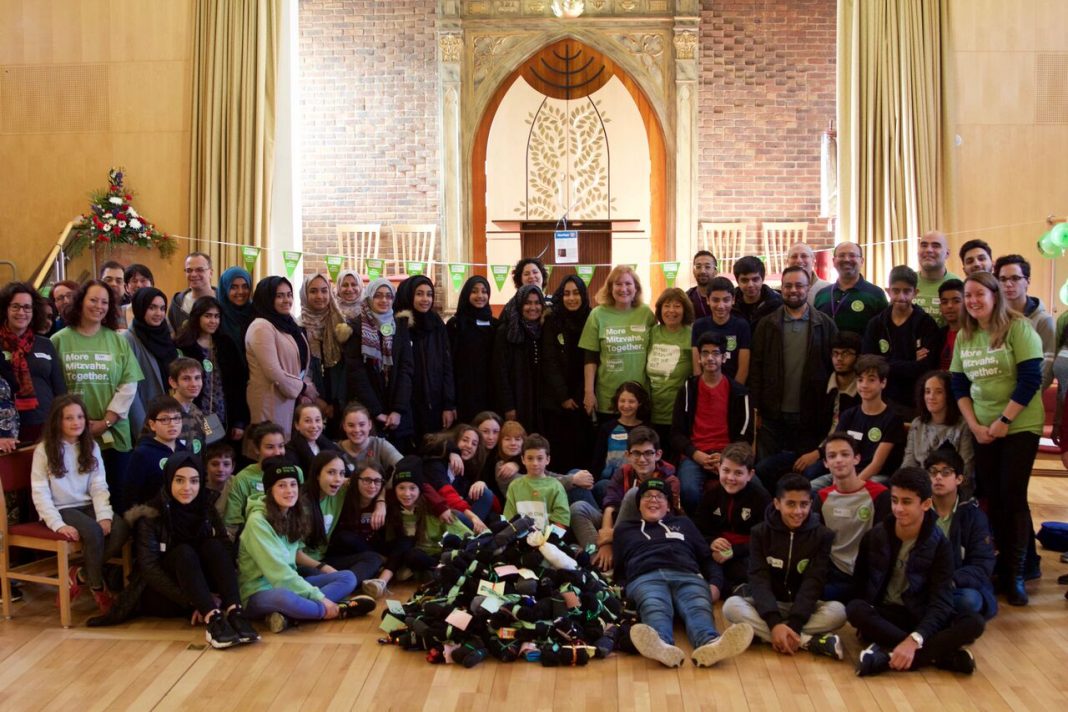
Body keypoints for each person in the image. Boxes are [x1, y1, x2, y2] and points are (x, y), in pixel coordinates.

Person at [950, 271, 1043, 606]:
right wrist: (974, 425)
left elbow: (1031, 379)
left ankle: (1015, 573)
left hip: (1019, 426)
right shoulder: (965, 335)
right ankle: (1000, 566)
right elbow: (959, 383)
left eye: (980, 294)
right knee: (992, 497)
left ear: (994, 296)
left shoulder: (1019, 328)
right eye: (968, 295)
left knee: (1012, 497)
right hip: (983, 428)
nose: (973, 301)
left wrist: (1005, 420)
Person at [848, 468, 986, 677]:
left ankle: (887, 658)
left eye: (906, 502)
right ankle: (939, 656)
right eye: (894, 500)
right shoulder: (875, 536)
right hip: (886, 615)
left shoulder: (940, 544)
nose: (898, 508)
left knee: (974, 622)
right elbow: (859, 587)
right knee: (855, 609)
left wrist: (916, 638)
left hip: (921, 615)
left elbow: (941, 602)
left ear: (926, 504)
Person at [117, 452, 259, 648]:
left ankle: (235, 612)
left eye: (194, 481)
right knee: (184, 552)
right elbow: (150, 569)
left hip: (203, 588)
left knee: (214, 545)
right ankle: (212, 619)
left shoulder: (205, 506)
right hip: (167, 593)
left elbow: (224, 548)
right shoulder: (150, 515)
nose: (187, 488)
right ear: (169, 480)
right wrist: (198, 601)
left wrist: (212, 594)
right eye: (179, 480)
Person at [613, 478, 754, 668]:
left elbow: (706, 557)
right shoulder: (624, 529)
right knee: (654, 605)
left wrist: (715, 584)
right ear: (638, 504)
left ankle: (710, 644)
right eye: (647, 496)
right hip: (645, 577)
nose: (653, 500)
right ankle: (661, 645)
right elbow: (620, 569)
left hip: (687, 575)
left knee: (698, 605)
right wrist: (625, 594)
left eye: (660, 496)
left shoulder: (684, 523)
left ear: (668, 506)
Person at [237, 458, 375, 632]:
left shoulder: (291, 513)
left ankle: (290, 615)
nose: (289, 491)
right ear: (270, 490)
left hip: (290, 584)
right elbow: (279, 573)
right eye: (282, 486)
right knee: (284, 597)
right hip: (258, 592)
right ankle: (336, 611)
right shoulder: (257, 521)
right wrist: (321, 598)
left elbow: (291, 568)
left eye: (293, 484)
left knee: (347, 577)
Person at [722, 473, 847, 659]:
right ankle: (807, 641)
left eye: (804, 504)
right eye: (791, 504)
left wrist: (795, 623)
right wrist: (773, 622)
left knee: (839, 612)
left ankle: (768, 634)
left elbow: (814, 581)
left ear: (811, 504)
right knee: (731, 606)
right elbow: (759, 578)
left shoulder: (823, 535)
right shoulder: (760, 533)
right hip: (770, 605)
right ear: (777, 503)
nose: (798, 511)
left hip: (803, 607)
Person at [51, 280, 143, 514]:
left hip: (113, 434)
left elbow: (128, 384)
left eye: (104, 302)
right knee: (81, 503)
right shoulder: (59, 340)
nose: (99, 306)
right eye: (93, 300)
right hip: (71, 435)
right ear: (80, 301)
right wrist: (76, 425)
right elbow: (54, 388)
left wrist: (106, 421)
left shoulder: (118, 341)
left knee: (116, 501)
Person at [30, 394, 129, 613]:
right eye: (69, 418)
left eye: (80, 417)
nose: (76, 422)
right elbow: (40, 492)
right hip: (61, 509)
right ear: (57, 421)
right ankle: (97, 586)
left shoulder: (91, 446)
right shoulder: (44, 450)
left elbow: (98, 485)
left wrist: (104, 515)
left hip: (87, 505)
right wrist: (57, 524)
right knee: (93, 532)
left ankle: (81, 573)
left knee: (121, 527)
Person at [750, 266, 837, 462]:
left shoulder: (825, 325)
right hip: (772, 416)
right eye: (788, 286)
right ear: (781, 288)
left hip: (810, 415)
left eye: (799, 285)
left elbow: (833, 369)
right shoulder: (766, 324)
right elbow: (756, 370)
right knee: (767, 469)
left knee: (802, 471)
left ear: (808, 288)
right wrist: (756, 409)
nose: (793, 290)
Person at [754, 331, 860, 491]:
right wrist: (807, 453)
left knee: (809, 474)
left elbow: (852, 436)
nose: (839, 358)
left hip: (838, 456)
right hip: (808, 450)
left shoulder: (861, 392)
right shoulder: (819, 385)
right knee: (763, 468)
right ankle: (778, 504)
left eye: (846, 354)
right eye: (835, 353)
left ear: (857, 357)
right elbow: (806, 427)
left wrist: (818, 454)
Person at [570, 426, 680, 571]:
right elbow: (610, 505)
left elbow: (662, 520)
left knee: (635, 493)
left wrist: (613, 535)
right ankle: (598, 559)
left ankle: (607, 560)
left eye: (648, 453)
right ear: (628, 455)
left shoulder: (670, 481)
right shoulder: (623, 472)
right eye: (636, 453)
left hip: (644, 530)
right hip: (617, 524)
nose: (642, 459)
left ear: (658, 455)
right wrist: (606, 541)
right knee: (578, 508)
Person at [671, 332, 754, 516]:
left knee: (755, 488)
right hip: (695, 455)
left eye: (715, 353)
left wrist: (725, 457)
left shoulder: (740, 392)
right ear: (699, 358)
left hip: (730, 455)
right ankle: (701, 528)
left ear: (723, 358)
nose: (710, 358)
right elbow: (676, 433)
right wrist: (696, 454)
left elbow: (745, 436)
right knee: (689, 491)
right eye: (705, 353)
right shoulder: (687, 389)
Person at [366, 456, 472, 595]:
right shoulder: (392, 510)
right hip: (414, 555)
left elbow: (466, 535)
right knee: (412, 555)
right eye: (401, 488)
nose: (407, 494)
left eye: (412, 488)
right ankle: (431, 574)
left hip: (440, 554)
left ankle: (438, 573)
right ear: (395, 489)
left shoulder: (434, 509)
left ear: (420, 489)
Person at [809, 355, 906, 489]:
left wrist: (850, 485)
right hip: (845, 472)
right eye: (860, 380)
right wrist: (838, 479)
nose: (864, 385)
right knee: (810, 489)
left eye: (871, 380)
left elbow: (877, 464)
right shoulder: (849, 415)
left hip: (875, 476)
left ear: (883, 383)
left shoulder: (893, 418)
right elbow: (835, 447)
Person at [245, 276, 317, 454]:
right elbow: (273, 371)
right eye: (279, 296)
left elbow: (300, 362)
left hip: (289, 398)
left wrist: (303, 387)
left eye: (289, 294)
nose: (287, 300)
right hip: (270, 399)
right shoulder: (261, 326)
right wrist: (302, 388)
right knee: (268, 452)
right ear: (267, 298)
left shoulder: (288, 321)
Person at [816, 431, 890, 602]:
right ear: (826, 463)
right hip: (834, 573)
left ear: (856, 459)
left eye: (845, 454)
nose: (838, 460)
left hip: (867, 575)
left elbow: (883, 544)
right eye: (832, 456)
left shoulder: (880, 494)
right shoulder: (821, 497)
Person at [925, 448, 997, 619]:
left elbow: (982, 564)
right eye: (933, 472)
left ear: (959, 479)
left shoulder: (974, 516)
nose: (938, 477)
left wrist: (950, 580)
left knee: (970, 601)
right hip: (922, 581)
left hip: (956, 584)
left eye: (946, 472)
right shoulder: (919, 509)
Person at [345, 278, 415, 452]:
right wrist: (376, 411)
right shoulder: (356, 326)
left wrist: (398, 410)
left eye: (388, 296)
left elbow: (406, 369)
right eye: (378, 296)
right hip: (368, 410)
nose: (384, 300)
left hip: (397, 410)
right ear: (369, 297)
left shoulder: (400, 325)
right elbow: (356, 373)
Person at [861, 265, 940, 417]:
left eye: (907, 291)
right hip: (882, 399)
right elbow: (867, 363)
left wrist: (885, 362)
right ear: (888, 291)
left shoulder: (926, 324)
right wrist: (910, 360)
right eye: (896, 291)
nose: (901, 297)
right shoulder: (876, 324)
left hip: (915, 402)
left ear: (915, 292)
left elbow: (925, 367)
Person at [579, 265, 656, 419]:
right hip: (608, 397)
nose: (623, 289)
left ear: (636, 288)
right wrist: (589, 392)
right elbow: (590, 358)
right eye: (618, 284)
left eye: (628, 284)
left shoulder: (646, 313)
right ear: (610, 288)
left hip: (639, 398)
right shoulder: (597, 315)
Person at [693, 442, 770, 593]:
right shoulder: (711, 495)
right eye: (726, 470)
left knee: (751, 568)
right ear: (718, 469)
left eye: (738, 473)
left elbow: (766, 538)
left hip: (746, 551)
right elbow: (698, 528)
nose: (730, 478)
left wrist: (733, 551)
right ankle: (726, 587)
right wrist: (712, 541)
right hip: (717, 551)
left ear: (750, 475)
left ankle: (731, 588)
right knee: (699, 559)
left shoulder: (761, 498)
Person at [175, 296, 249, 446]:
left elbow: (239, 383)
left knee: (220, 455)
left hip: (224, 414)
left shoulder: (226, 344)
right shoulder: (184, 345)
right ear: (197, 317)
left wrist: (239, 421)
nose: (213, 321)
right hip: (194, 414)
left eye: (216, 316)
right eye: (208, 316)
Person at [312, 454, 388, 594]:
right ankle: (346, 584)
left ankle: (347, 585)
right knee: (346, 537)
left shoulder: (382, 499)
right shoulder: (341, 493)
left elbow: (384, 484)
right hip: (330, 556)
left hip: (357, 556)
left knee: (373, 558)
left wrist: (381, 502)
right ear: (356, 480)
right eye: (366, 480)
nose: (372, 485)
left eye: (376, 481)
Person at [0, 282, 66, 443]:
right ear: (5, 309)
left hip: (46, 427)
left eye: (27, 307)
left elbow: (60, 390)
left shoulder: (45, 344)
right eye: (15, 307)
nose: (21, 312)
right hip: (6, 433)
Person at [542, 275, 594, 473]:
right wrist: (563, 396)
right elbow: (549, 361)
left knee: (583, 449)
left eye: (576, 293)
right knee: (560, 451)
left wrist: (583, 393)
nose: (571, 298)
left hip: (585, 397)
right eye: (566, 294)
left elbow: (592, 358)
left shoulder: (592, 318)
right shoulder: (552, 321)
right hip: (557, 401)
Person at [394, 275, 456, 441]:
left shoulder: (436, 324)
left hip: (434, 403)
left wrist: (448, 404)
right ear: (409, 295)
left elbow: (446, 365)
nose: (425, 299)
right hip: (406, 403)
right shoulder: (399, 324)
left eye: (429, 294)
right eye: (419, 294)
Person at [124, 287, 179, 438]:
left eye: (162, 308)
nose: (158, 313)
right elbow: (130, 389)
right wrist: (143, 428)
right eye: (152, 308)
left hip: (170, 415)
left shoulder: (166, 335)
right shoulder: (129, 339)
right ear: (140, 308)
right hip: (147, 418)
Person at [994, 254, 1055, 388]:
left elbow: (1047, 368)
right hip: (997, 394)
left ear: (1028, 281)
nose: (1008, 284)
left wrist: (1023, 396)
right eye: (1002, 279)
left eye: (1015, 278)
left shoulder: (1044, 320)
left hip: (1029, 394)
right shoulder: (994, 319)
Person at [646, 288, 694, 455]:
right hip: (651, 412)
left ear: (685, 310)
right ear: (660, 309)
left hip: (678, 414)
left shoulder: (691, 335)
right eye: (667, 306)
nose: (671, 310)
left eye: (677, 306)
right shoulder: (652, 333)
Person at [493, 284, 546, 432]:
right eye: (527, 303)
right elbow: (500, 372)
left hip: (538, 401)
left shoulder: (544, 329)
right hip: (516, 400)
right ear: (519, 304)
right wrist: (508, 406)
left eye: (537, 303)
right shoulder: (507, 331)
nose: (533, 307)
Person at [299, 273, 351, 425]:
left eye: (324, 290)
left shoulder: (341, 325)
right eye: (313, 291)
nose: (320, 296)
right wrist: (316, 400)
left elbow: (350, 365)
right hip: (309, 400)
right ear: (304, 294)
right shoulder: (297, 328)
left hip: (341, 399)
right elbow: (296, 368)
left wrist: (337, 402)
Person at [902, 371, 975, 478]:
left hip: (950, 484)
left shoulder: (963, 425)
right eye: (927, 392)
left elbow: (965, 469)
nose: (931, 397)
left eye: (939, 392)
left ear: (949, 395)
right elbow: (908, 463)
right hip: (920, 483)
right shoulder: (917, 423)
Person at [422, 425, 494, 533]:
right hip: (437, 511)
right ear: (454, 441)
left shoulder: (466, 471)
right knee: (459, 516)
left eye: (474, 444)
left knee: (485, 494)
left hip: (457, 511)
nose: (469, 446)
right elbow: (447, 495)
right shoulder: (435, 463)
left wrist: (482, 484)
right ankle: (480, 536)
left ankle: (477, 535)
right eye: (465, 440)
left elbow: (494, 504)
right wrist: (474, 517)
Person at [447, 275, 499, 422]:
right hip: (463, 391)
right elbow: (448, 362)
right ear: (466, 294)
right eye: (474, 291)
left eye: (484, 291)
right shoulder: (455, 324)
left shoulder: (495, 325)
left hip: (489, 390)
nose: (480, 296)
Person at [224, 423, 290, 534]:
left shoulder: (294, 472)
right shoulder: (243, 478)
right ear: (256, 449)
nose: (277, 452)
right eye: (270, 447)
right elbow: (232, 522)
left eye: (281, 446)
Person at [813, 242, 889, 336]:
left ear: (862, 261)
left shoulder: (876, 294)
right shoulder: (821, 295)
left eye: (852, 255)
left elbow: (884, 332)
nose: (846, 259)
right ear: (834, 261)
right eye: (841, 255)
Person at [590, 381, 651, 493]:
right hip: (609, 482)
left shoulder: (647, 429)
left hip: (637, 483)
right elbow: (597, 460)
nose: (626, 405)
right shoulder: (607, 428)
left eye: (631, 401)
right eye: (622, 401)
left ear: (639, 403)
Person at [502, 434, 569, 533]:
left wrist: (550, 539)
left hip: (547, 539)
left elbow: (561, 519)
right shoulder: (514, 486)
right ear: (523, 459)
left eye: (540, 458)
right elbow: (509, 519)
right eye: (530, 458)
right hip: (519, 538)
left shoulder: (556, 486)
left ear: (548, 460)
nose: (535, 463)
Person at [126, 395, 186, 506]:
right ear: (152, 425)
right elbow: (130, 495)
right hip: (153, 513)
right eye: (165, 419)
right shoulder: (143, 454)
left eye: (176, 418)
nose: (172, 424)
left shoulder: (184, 450)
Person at [690, 276, 750, 383]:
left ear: (733, 300)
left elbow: (743, 369)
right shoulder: (699, 326)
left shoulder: (742, 326)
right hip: (705, 387)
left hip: (733, 387)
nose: (721, 306)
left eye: (726, 300)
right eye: (715, 300)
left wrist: (735, 390)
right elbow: (697, 368)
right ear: (708, 300)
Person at [336, 401, 403, 474]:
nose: (357, 430)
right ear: (344, 426)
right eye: (351, 425)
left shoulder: (380, 445)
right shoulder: (335, 449)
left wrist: (388, 482)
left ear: (369, 425)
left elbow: (404, 466)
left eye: (362, 424)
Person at [914, 231, 959, 327]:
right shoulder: (907, 282)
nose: (928, 250)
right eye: (924, 245)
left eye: (936, 246)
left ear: (947, 253)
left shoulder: (958, 285)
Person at [167, 357, 208, 453]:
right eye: (186, 379)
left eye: (197, 378)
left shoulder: (197, 412)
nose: (194, 384)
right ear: (173, 382)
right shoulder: (163, 413)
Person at [287, 402, 341, 474]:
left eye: (317, 420)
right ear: (297, 425)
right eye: (308, 421)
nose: (314, 426)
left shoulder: (329, 446)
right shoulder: (290, 451)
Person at [732, 255, 782, 332]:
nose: (750, 285)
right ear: (737, 281)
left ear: (762, 279)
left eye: (755, 279)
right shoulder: (729, 303)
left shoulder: (777, 303)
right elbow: (728, 332)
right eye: (744, 280)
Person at [169, 252, 215, 332]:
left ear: (210, 273)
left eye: (199, 270)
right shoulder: (177, 302)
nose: (193, 274)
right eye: (189, 270)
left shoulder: (223, 300)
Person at [216, 266, 254, 360]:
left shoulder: (256, 313)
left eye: (245, 286)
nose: (240, 292)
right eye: (233, 287)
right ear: (225, 288)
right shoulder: (216, 315)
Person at [937, 279, 964, 370]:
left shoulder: (975, 334)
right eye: (944, 302)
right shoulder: (937, 335)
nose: (949, 306)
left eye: (956, 301)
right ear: (940, 306)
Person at [686, 250, 718, 320]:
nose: (702, 271)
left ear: (715, 271)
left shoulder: (725, 297)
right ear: (693, 271)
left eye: (707, 267)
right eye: (698, 267)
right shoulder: (687, 298)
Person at [99, 260, 128, 329]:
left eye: (119, 281)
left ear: (125, 286)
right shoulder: (91, 307)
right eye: (108, 280)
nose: (114, 284)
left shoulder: (132, 308)